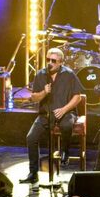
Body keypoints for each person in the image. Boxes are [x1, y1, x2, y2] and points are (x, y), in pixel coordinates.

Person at [20, 47, 85, 184]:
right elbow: (34, 97)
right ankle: (33, 173)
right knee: (31, 138)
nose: (50, 63)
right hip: (45, 114)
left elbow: (78, 97)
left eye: (53, 61)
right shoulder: (41, 75)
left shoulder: (69, 74)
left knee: (66, 125)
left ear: (60, 62)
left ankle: (65, 152)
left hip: (66, 113)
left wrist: (64, 109)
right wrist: (44, 92)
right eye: (48, 60)